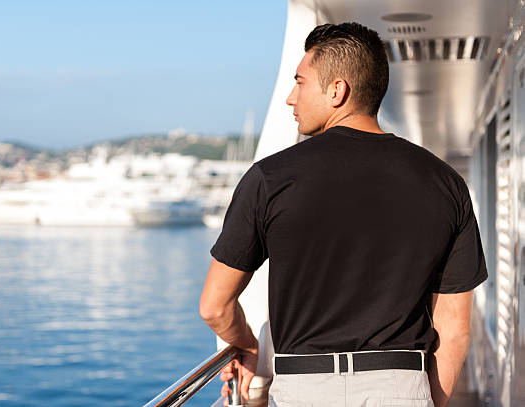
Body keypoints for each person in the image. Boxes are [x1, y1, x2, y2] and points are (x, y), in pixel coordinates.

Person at [199, 22, 488, 407]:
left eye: (300, 82)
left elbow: (215, 306)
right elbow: (453, 330)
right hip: (403, 387)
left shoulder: (271, 178)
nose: (289, 97)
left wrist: (249, 346)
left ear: (338, 90)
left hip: (306, 390)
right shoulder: (445, 183)